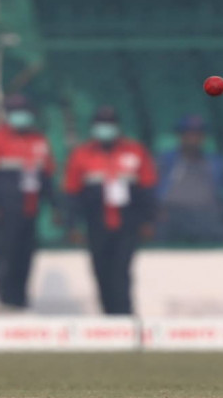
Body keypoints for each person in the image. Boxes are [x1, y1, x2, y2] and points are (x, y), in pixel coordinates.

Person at [64, 107, 157, 314]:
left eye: (109, 124)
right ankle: (108, 315)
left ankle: (124, 313)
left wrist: (148, 220)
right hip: (96, 221)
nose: (105, 129)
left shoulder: (135, 151)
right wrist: (72, 225)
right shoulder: (82, 154)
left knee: (122, 269)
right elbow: (72, 192)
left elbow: (147, 188)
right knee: (101, 269)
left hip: (127, 221)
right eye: (101, 125)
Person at [0, 95, 55, 310]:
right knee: (6, 254)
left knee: (25, 254)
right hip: (4, 210)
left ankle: (20, 300)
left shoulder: (38, 140)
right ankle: (6, 299)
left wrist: (55, 207)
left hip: (30, 208)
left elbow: (46, 176)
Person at [156, 115, 223, 243]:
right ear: (180, 136)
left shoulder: (215, 162)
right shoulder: (166, 160)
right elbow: (153, 189)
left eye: (197, 134)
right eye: (189, 134)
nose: (193, 138)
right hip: (172, 213)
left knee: (220, 233)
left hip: (205, 213)